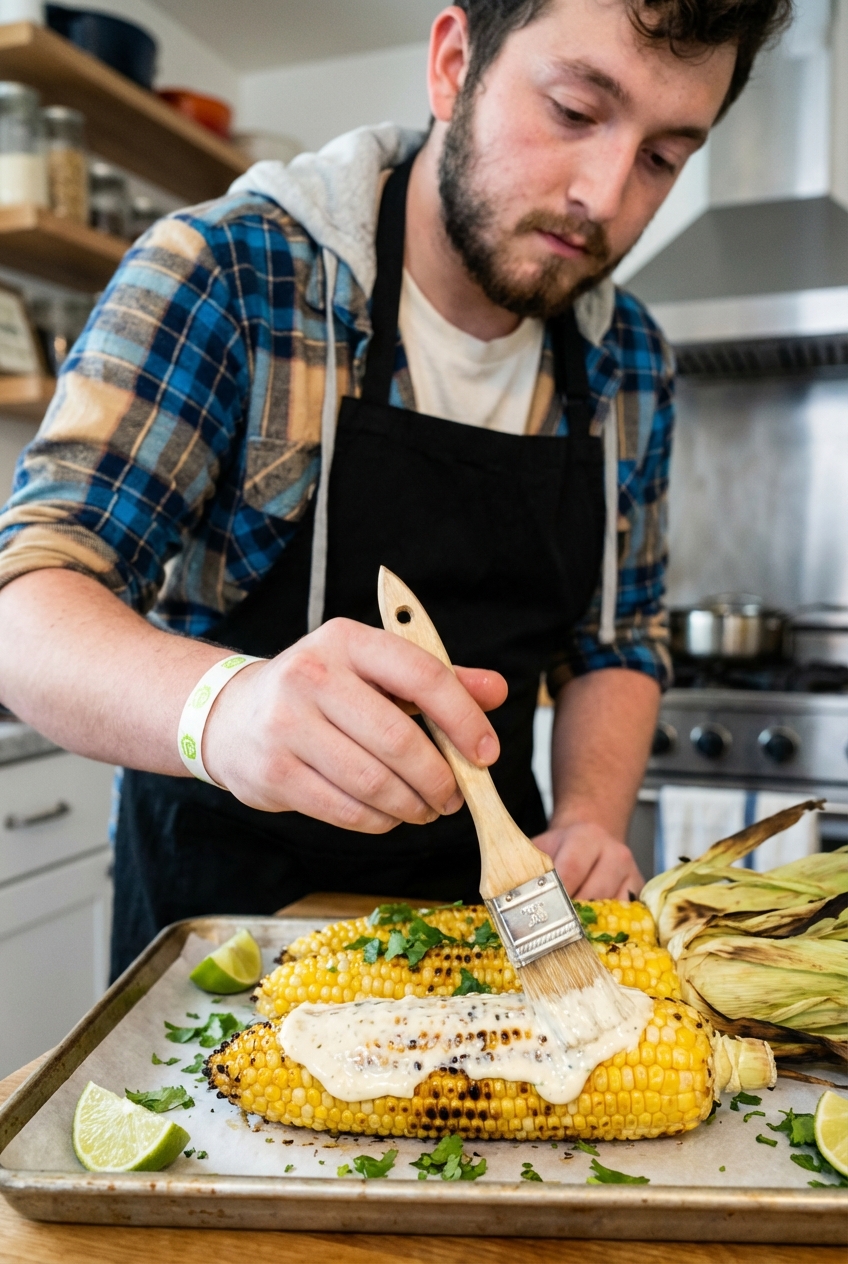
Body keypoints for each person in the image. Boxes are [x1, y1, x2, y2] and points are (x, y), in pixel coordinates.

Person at [0, 0, 790, 977]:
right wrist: (230, 710)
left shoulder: (626, 359)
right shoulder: (231, 274)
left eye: (663, 157)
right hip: (232, 935)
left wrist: (588, 819)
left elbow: (615, 642)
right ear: (455, 63)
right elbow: (28, 602)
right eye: (575, 112)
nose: (605, 194)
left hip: (496, 934)